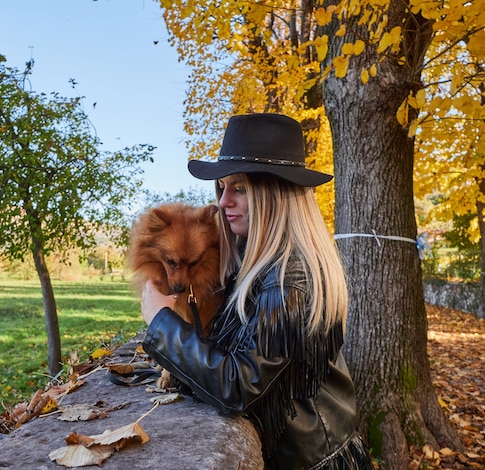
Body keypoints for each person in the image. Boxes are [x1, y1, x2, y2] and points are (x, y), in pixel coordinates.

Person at [141, 113, 373, 470]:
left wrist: (160, 321)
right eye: (222, 188)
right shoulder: (254, 258)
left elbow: (238, 388)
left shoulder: (288, 277)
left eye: (241, 189)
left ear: (274, 194)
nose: (223, 202)